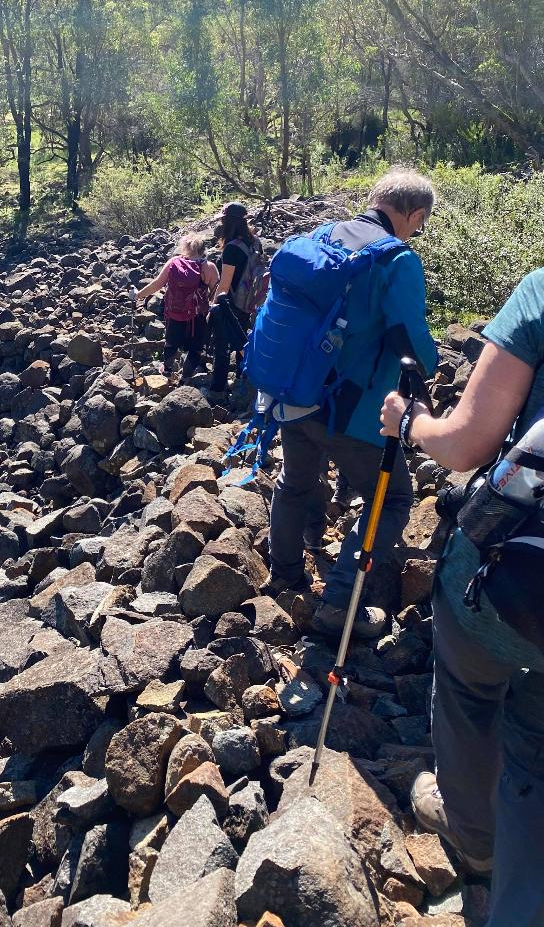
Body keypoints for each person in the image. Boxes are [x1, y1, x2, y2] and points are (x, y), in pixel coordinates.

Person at [381, 269, 544, 921]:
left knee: (471, 699)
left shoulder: (538, 292)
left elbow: (468, 444)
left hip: (505, 582)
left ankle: (477, 852)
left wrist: (412, 421)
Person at [265, 167, 438, 639]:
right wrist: (434, 366)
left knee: (296, 481)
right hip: (352, 409)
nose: (417, 231)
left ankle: (284, 573)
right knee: (395, 498)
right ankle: (339, 604)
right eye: (419, 224)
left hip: (295, 395)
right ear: (414, 214)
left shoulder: (324, 236)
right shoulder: (397, 260)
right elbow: (413, 341)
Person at [137, 235, 220, 381]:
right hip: (198, 315)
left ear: (185, 248)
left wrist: (139, 295)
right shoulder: (209, 267)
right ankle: (185, 378)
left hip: (175, 312)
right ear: (203, 250)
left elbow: (157, 284)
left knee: (171, 342)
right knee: (196, 349)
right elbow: (216, 294)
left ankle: (167, 370)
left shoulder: (173, 263)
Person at [206, 203, 263, 404]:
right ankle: (243, 382)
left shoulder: (231, 249)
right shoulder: (255, 242)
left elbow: (224, 284)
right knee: (244, 340)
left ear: (227, 222)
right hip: (251, 302)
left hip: (231, 305)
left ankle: (217, 390)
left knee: (222, 347)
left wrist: (211, 307)